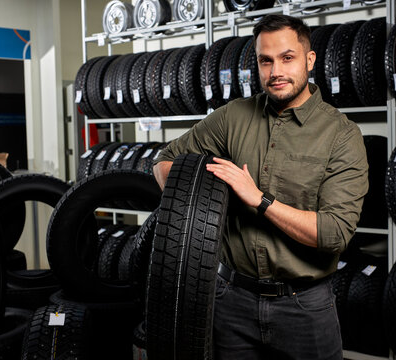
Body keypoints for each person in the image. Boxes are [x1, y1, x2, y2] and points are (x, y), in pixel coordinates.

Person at [152, 14, 368, 360]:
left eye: (287, 58)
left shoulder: (341, 136)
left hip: (304, 307)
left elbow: (334, 233)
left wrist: (259, 200)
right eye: (265, 60)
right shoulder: (232, 117)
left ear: (309, 60)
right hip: (230, 300)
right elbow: (165, 161)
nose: (275, 71)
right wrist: (197, 207)